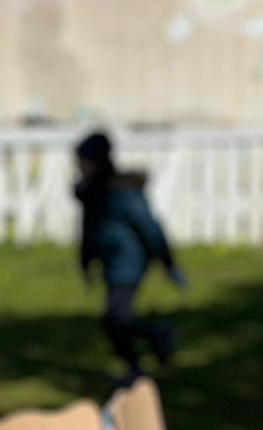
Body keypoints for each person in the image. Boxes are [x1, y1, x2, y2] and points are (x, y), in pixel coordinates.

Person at [73, 131, 184, 383]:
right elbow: (89, 233)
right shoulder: (93, 195)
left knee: (116, 317)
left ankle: (148, 349)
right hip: (111, 264)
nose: (80, 167)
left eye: (84, 161)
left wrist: (168, 263)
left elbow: (150, 228)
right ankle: (143, 353)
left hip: (129, 262)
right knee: (114, 319)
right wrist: (86, 262)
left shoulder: (123, 193)